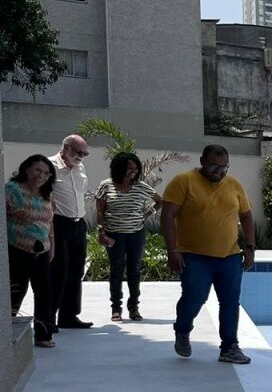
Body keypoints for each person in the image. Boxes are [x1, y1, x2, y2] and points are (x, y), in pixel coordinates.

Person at [161, 145, 255, 364]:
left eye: (225, 167)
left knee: (230, 302)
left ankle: (229, 347)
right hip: (194, 256)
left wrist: (250, 247)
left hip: (230, 256)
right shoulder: (183, 181)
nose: (220, 171)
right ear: (203, 161)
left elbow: (246, 216)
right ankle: (183, 329)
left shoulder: (234, 185)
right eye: (215, 166)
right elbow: (167, 215)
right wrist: (172, 250)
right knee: (195, 298)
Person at [95, 152, 161, 323]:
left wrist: (147, 214)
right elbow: (100, 211)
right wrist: (101, 231)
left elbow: (159, 201)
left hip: (136, 234)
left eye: (135, 168)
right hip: (114, 235)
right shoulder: (106, 185)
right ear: (119, 168)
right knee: (116, 270)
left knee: (134, 270)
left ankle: (134, 308)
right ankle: (116, 309)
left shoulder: (141, 186)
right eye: (129, 168)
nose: (133, 171)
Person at [7, 154, 58, 347]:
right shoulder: (12, 190)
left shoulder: (47, 194)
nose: (41, 175)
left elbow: (49, 222)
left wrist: (51, 245)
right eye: (38, 170)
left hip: (41, 250)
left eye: (46, 173)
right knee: (16, 290)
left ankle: (43, 335)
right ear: (27, 169)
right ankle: (7, 331)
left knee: (44, 292)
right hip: (16, 248)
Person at [49, 134, 93, 330]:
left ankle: (69, 316)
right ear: (65, 148)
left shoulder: (80, 167)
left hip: (78, 224)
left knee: (77, 270)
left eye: (85, 153)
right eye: (78, 152)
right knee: (58, 270)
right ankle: (49, 317)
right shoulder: (50, 166)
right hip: (58, 223)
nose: (81, 156)